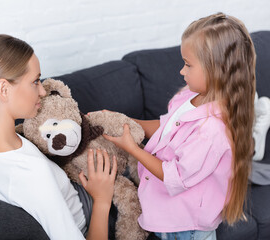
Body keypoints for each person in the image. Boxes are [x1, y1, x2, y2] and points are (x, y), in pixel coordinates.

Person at [0, 34, 117, 240]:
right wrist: (102, 200)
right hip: (90, 218)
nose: (43, 92)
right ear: (3, 89)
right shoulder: (31, 173)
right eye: (35, 81)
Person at [102, 13, 256, 240]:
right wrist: (127, 122)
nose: (182, 71)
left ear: (217, 70)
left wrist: (133, 149)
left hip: (187, 227)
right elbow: (165, 129)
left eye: (188, 64)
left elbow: (175, 176)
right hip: (166, 214)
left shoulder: (212, 130)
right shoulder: (189, 96)